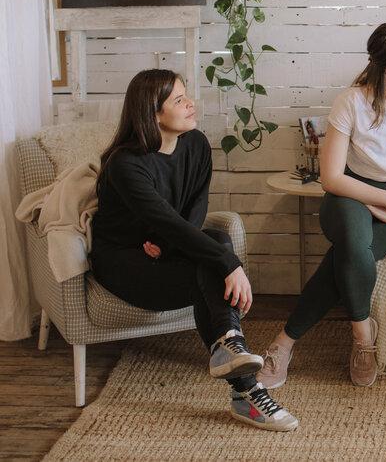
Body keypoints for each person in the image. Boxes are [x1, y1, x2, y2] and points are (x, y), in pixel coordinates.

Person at [90, 69, 297, 431]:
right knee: (216, 260)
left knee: (215, 243)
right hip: (125, 263)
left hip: (163, 250)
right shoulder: (126, 165)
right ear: (153, 113)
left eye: (187, 96)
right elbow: (165, 220)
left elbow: (193, 213)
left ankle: (228, 346)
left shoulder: (196, 144)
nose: (191, 104)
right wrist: (230, 264)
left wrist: (174, 247)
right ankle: (246, 393)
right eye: (178, 100)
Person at [256, 23, 386, 389]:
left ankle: (283, 343)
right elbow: (331, 178)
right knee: (351, 237)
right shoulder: (352, 101)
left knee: (348, 255)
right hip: (351, 194)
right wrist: (385, 199)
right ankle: (364, 339)